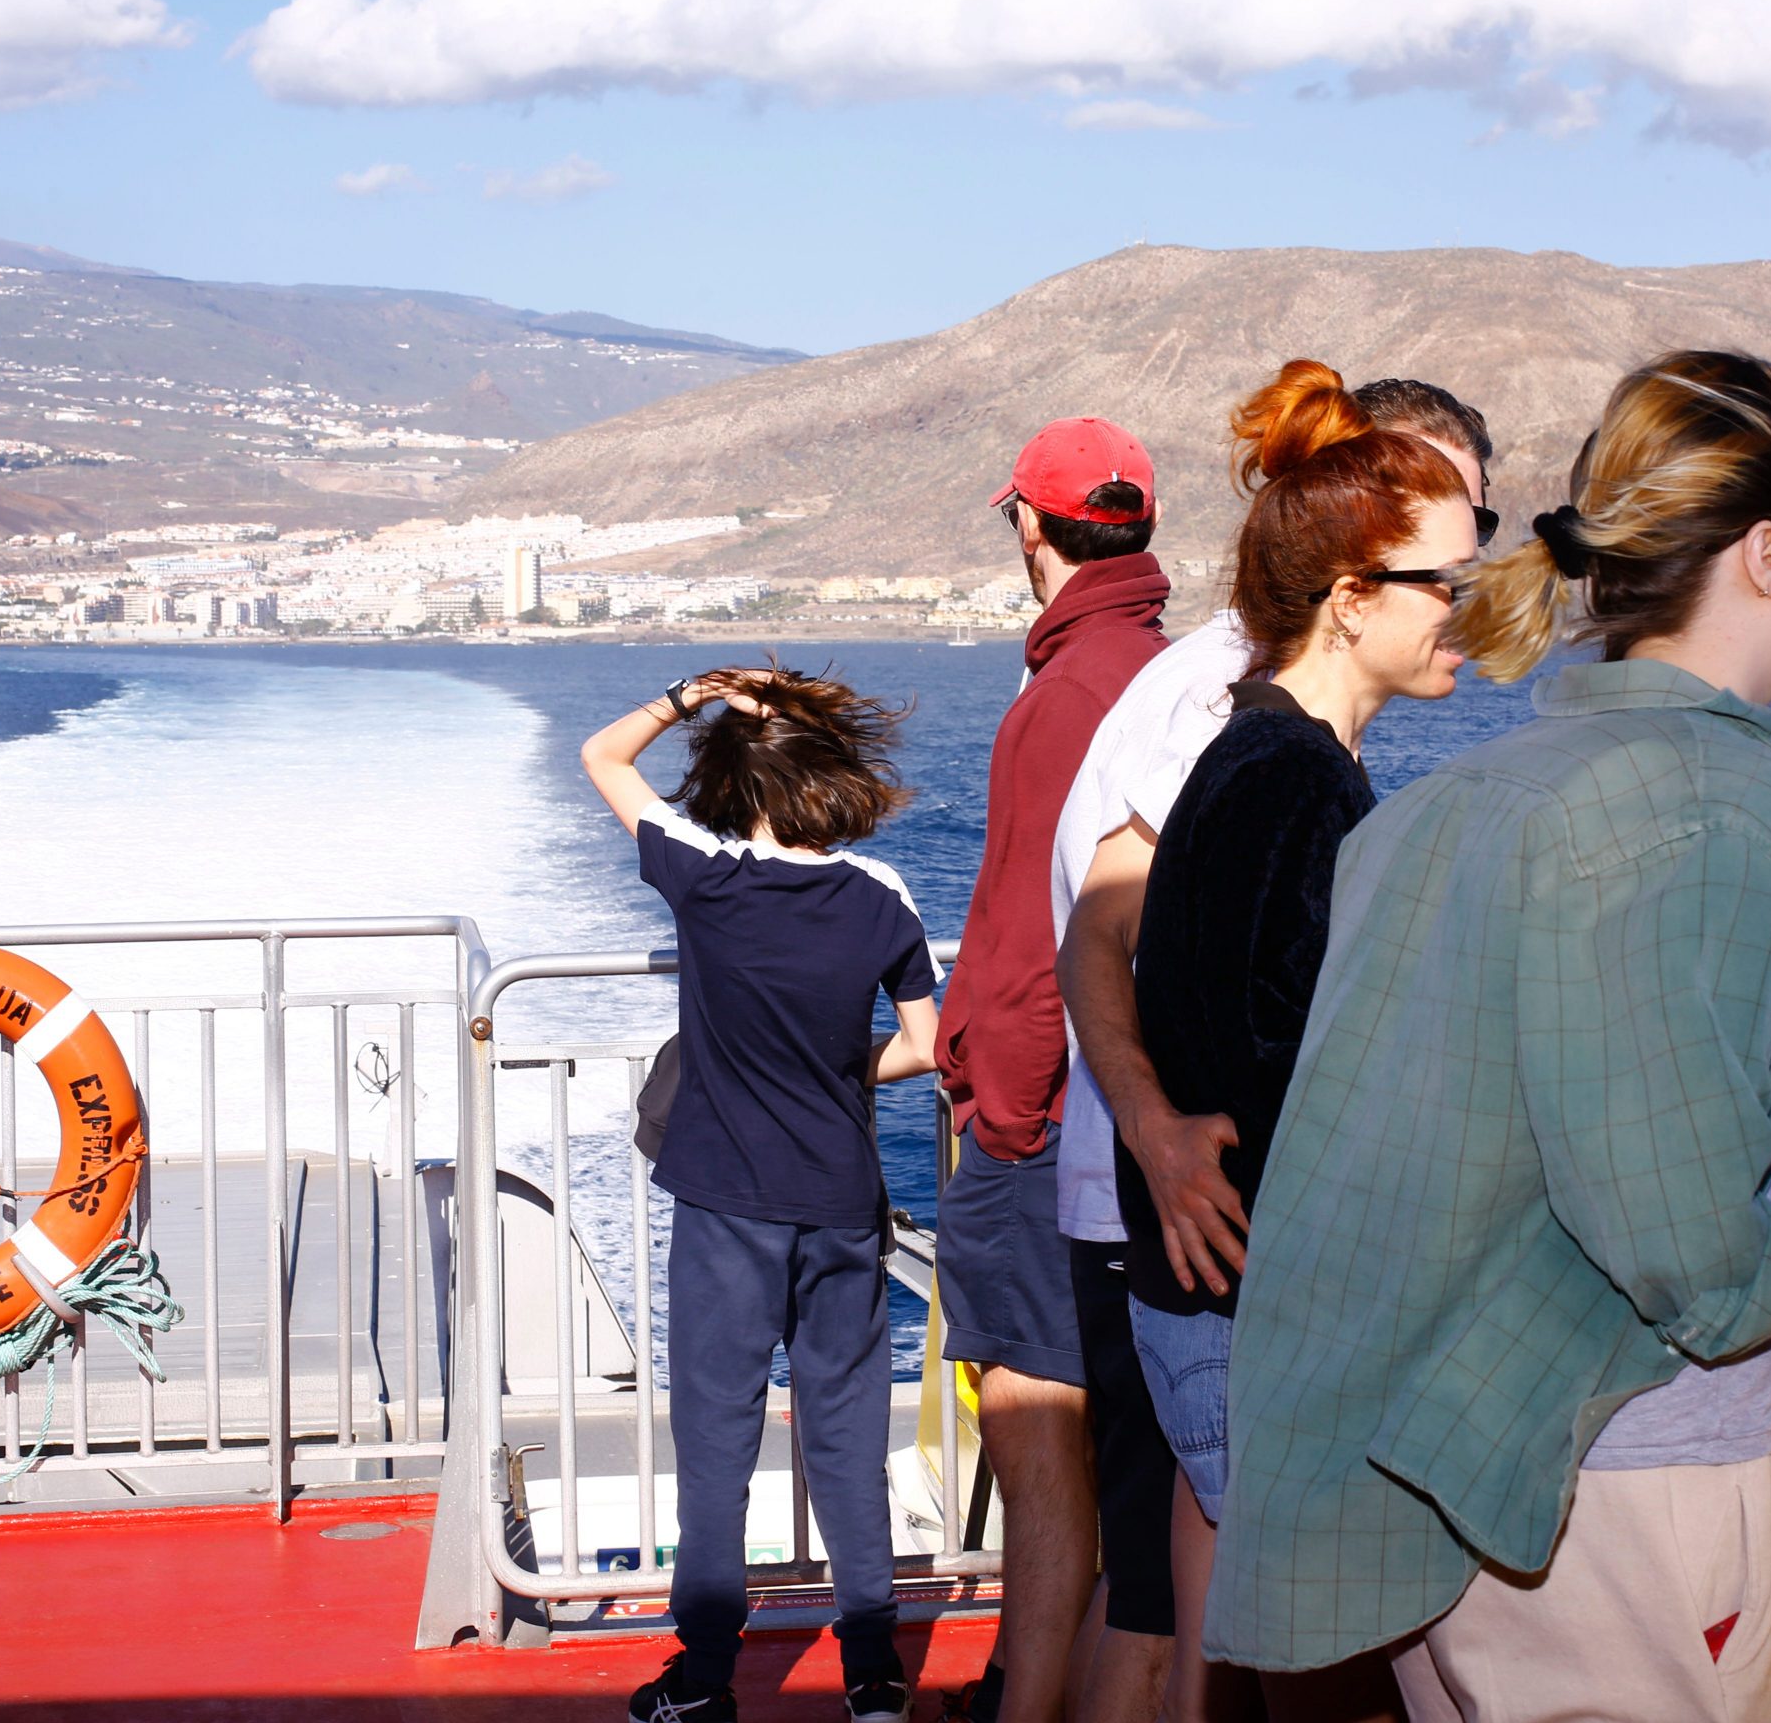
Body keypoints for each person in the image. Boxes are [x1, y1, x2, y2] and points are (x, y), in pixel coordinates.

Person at [1208, 352, 1771, 1723]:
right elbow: (1682, 1242)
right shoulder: (1711, 807)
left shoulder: (1457, 799)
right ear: (1769, 555)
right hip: (1620, 1493)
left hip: (1446, 1484)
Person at [1050, 368, 1492, 1720]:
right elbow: (1284, 1076)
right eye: (1444, 586)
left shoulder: (1265, 755)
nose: (1466, 615)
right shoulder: (1289, 776)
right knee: (1321, 1673)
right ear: (1352, 598)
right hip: (1259, 1317)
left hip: (1227, 1307)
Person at [583, 665, 940, 1723]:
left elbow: (602, 756)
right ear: (829, 778)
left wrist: (687, 695)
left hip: (727, 1208)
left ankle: (701, 1684)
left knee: (717, 1442)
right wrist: (839, 1066)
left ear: (736, 787)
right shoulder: (885, 902)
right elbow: (924, 1047)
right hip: (838, 1202)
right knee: (843, 1436)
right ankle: (873, 1675)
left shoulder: (704, 876)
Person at [934, 418, 1169, 1723]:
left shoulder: (1062, 696)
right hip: (1140, 1131)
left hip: (1049, 1138)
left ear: (1031, 527)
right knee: (1126, 1476)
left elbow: (1033, 949)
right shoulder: (1167, 672)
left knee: (1040, 1455)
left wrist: (1004, 1122)